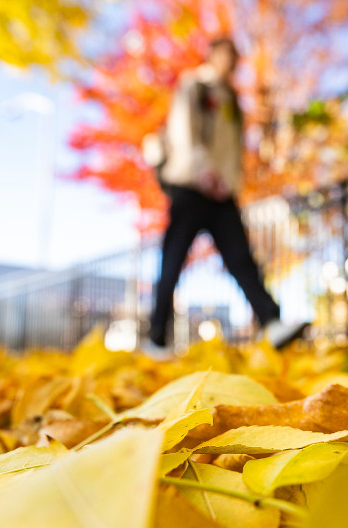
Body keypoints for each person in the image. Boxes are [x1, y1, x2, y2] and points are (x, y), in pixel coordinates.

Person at [143, 37, 308, 350]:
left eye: (234, 57)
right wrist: (205, 172)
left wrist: (230, 183)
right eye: (226, 55)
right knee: (172, 262)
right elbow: (183, 132)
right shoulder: (194, 86)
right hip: (191, 187)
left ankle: (271, 322)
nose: (231, 62)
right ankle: (156, 339)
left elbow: (234, 152)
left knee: (241, 259)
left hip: (222, 195)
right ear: (212, 55)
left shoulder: (232, 102)